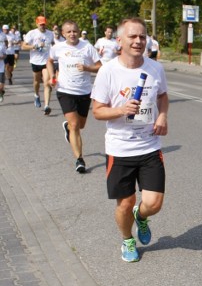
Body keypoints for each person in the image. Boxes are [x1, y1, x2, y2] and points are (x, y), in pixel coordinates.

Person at [91, 17, 169, 263]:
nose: (138, 41)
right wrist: (122, 110)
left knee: (153, 203)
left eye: (142, 37)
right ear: (119, 40)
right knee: (124, 204)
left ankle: (142, 217)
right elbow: (97, 111)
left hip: (149, 145)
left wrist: (163, 116)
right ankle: (127, 240)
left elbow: (163, 96)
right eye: (133, 37)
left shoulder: (155, 69)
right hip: (120, 148)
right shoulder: (108, 71)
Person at [47, 20, 102, 173]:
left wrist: (87, 68)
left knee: (81, 125)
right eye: (68, 31)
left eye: (74, 31)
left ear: (79, 32)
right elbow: (49, 61)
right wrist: (52, 76)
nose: (72, 34)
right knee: (75, 125)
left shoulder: (87, 47)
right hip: (65, 90)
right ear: (63, 34)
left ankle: (68, 128)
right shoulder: (57, 48)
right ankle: (79, 159)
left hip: (84, 91)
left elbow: (100, 67)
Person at [22, 16, 55, 114]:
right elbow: (23, 46)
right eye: (41, 24)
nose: (42, 26)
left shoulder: (50, 34)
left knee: (46, 83)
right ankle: (36, 95)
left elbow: (54, 44)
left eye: (44, 24)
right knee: (36, 82)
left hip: (46, 62)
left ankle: (46, 106)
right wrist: (35, 46)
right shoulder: (32, 33)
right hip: (35, 61)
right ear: (37, 24)